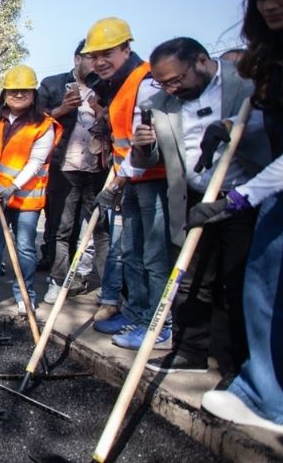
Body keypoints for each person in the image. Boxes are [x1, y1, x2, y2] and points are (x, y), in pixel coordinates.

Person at [133, 37, 267, 376]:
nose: (171, 88)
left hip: (243, 197)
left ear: (202, 62)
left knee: (240, 284)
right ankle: (189, 350)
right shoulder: (162, 104)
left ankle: (241, 366)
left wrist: (234, 131)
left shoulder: (245, 85)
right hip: (192, 199)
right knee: (191, 280)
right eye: (163, 82)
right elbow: (150, 160)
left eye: (176, 79)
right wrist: (143, 148)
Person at [198, 0, 283, 433]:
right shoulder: (272, 53)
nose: (271, 5)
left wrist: (239, 196)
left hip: (269, 188)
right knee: (263, 283)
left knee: (266, 285)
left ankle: (269, 399)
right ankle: (265, 392)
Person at [83, 18, 170, 350]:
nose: (100, 61)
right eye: (95, 55)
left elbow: (146, 141)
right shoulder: (118, 85)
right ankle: (134, 311)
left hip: (152, 180)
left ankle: (159, 324)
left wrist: (117, 183)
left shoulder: (145, 81)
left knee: (154, 255)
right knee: (131, 252)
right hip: (131, 180)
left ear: (126, 48)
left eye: (108, 53)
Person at [0, 64, 60, 313]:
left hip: (25, 200)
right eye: (13, 91)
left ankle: (25, 294)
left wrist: (13, 187)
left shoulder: (43, 125)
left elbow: (36, 162)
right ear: (5, 93)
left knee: (24, 247)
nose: (18, 95)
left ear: (34, 94)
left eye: (24, 91)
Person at [39, 40, 110, 304]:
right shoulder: (53, 84)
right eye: (90, 57)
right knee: (62, 227)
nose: (96, 63)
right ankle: (58, 280)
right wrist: (61, 110)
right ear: (76, 58)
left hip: (97, 168)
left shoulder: (105, 87)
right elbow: (34, 122)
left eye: (101, 57)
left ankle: (107, 289)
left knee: (99, 229)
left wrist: (102, 112)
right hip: (64, 167)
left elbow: (119, 122)